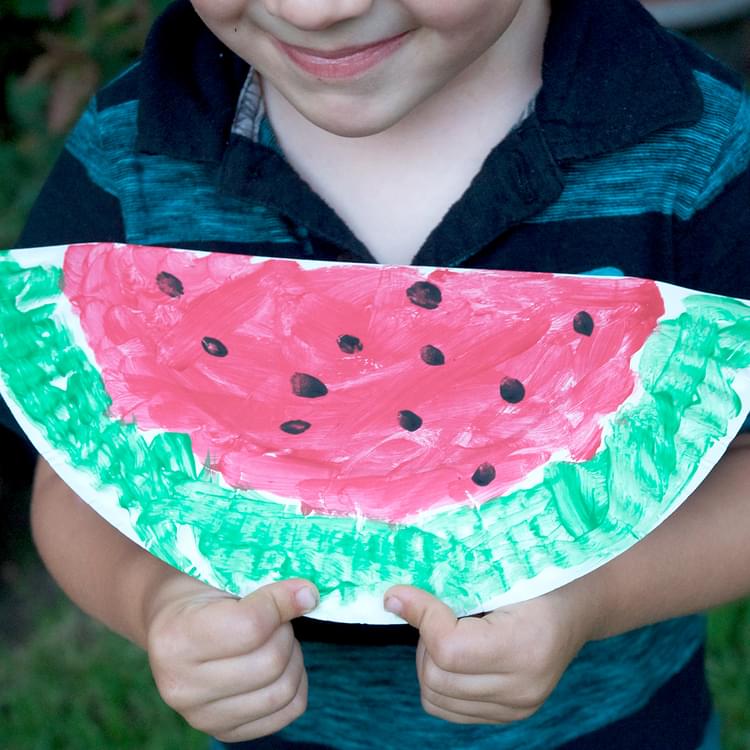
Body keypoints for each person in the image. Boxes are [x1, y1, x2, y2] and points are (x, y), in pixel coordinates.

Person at [6, 0, 750, 747]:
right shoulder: (130, 154)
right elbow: (71, 474)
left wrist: (592, 596)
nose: (317, 10)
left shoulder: (700, 151)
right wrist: (157, 599)